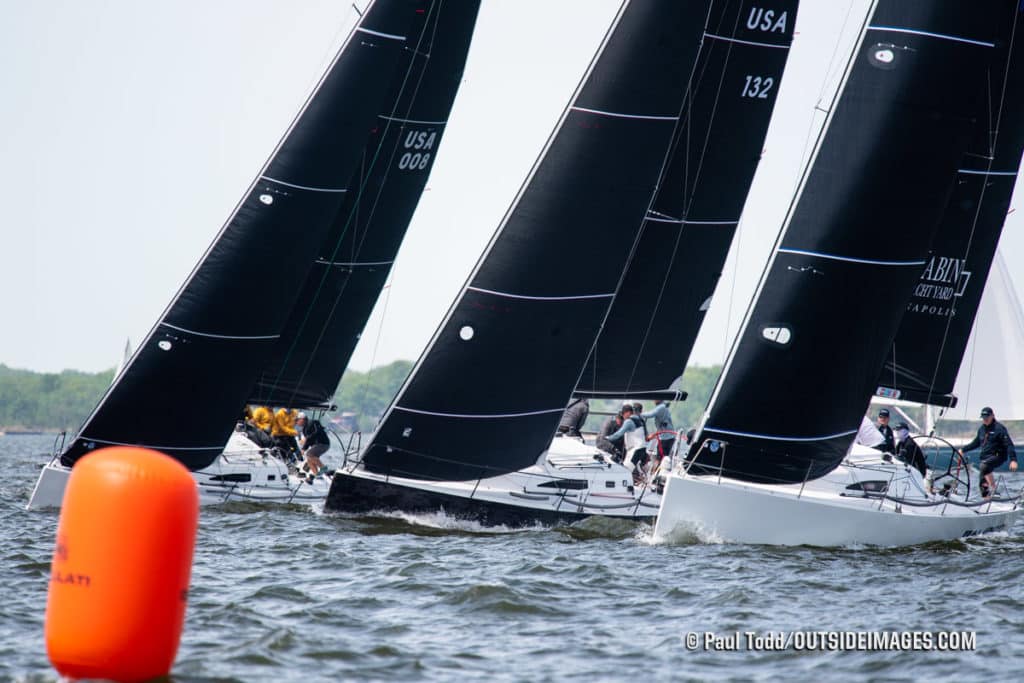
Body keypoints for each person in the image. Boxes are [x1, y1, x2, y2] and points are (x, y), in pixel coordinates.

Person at [959, 407, 1018, 498]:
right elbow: (976, 443)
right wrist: (963, 450)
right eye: (983, 417)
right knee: (984, 472)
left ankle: (989, 493)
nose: (985, 419)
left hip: (998, 456)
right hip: (986, 458)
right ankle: (990, 496)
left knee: (984, 466)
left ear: (992, 416)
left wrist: (1013, 460)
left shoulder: (999, 428)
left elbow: (1009, 444)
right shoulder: (982, 429)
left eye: (987, 417)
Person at [641, 400, 676, 473]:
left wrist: (638, 414)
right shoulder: (663, 407)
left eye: (655, 398)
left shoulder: (661, 407)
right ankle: (658, 473)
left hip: (665, 438)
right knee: (664, 458)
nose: (653, 400)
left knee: (659, 458)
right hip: (668, 437)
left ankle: (653, 475)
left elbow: (650, 414)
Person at [296, 411, 330, 478]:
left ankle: (323, 467)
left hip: (322, 443)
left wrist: (303, 448)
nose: (296, 422)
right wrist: (304, 446)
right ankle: (316, 474)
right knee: (309, 459)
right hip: (318, 444)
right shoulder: (305, 428)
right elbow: (309, 440)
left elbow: (311, 437)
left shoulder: (311, 423)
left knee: (309, 454)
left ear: (302, 419)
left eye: (297, 420)